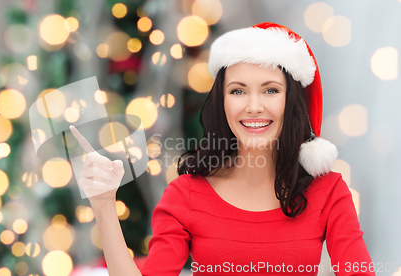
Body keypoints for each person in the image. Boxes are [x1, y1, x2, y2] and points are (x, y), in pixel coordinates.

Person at [69, 22, 375, 276]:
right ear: (222, 102)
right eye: (238, 90)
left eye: (270, 90)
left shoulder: (329, 191)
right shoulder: (186, 194)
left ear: (290, 101)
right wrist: (105, 204)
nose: (254, 107)